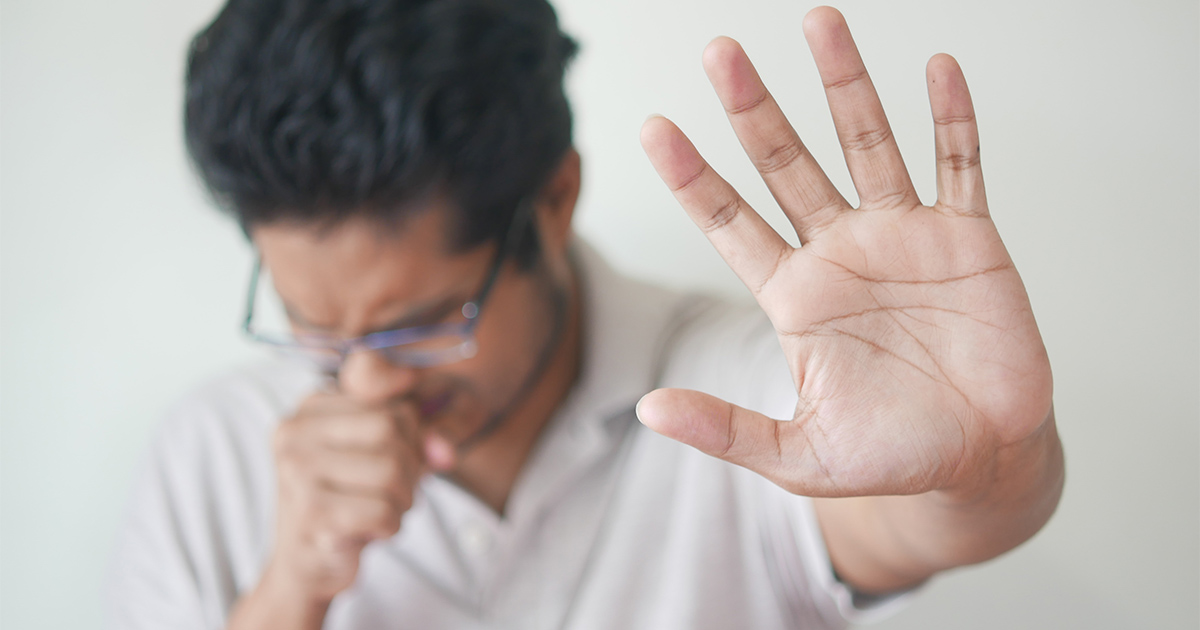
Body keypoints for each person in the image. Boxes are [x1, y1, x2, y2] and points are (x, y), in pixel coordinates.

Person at [106, 0, 1065, 628]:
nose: (365, 379)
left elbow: (924, 521)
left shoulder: (746, 387)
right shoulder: (211, 451)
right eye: (313, 325)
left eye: (425, 321)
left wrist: (988, 464)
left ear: (555, 199)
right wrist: (288, 594)